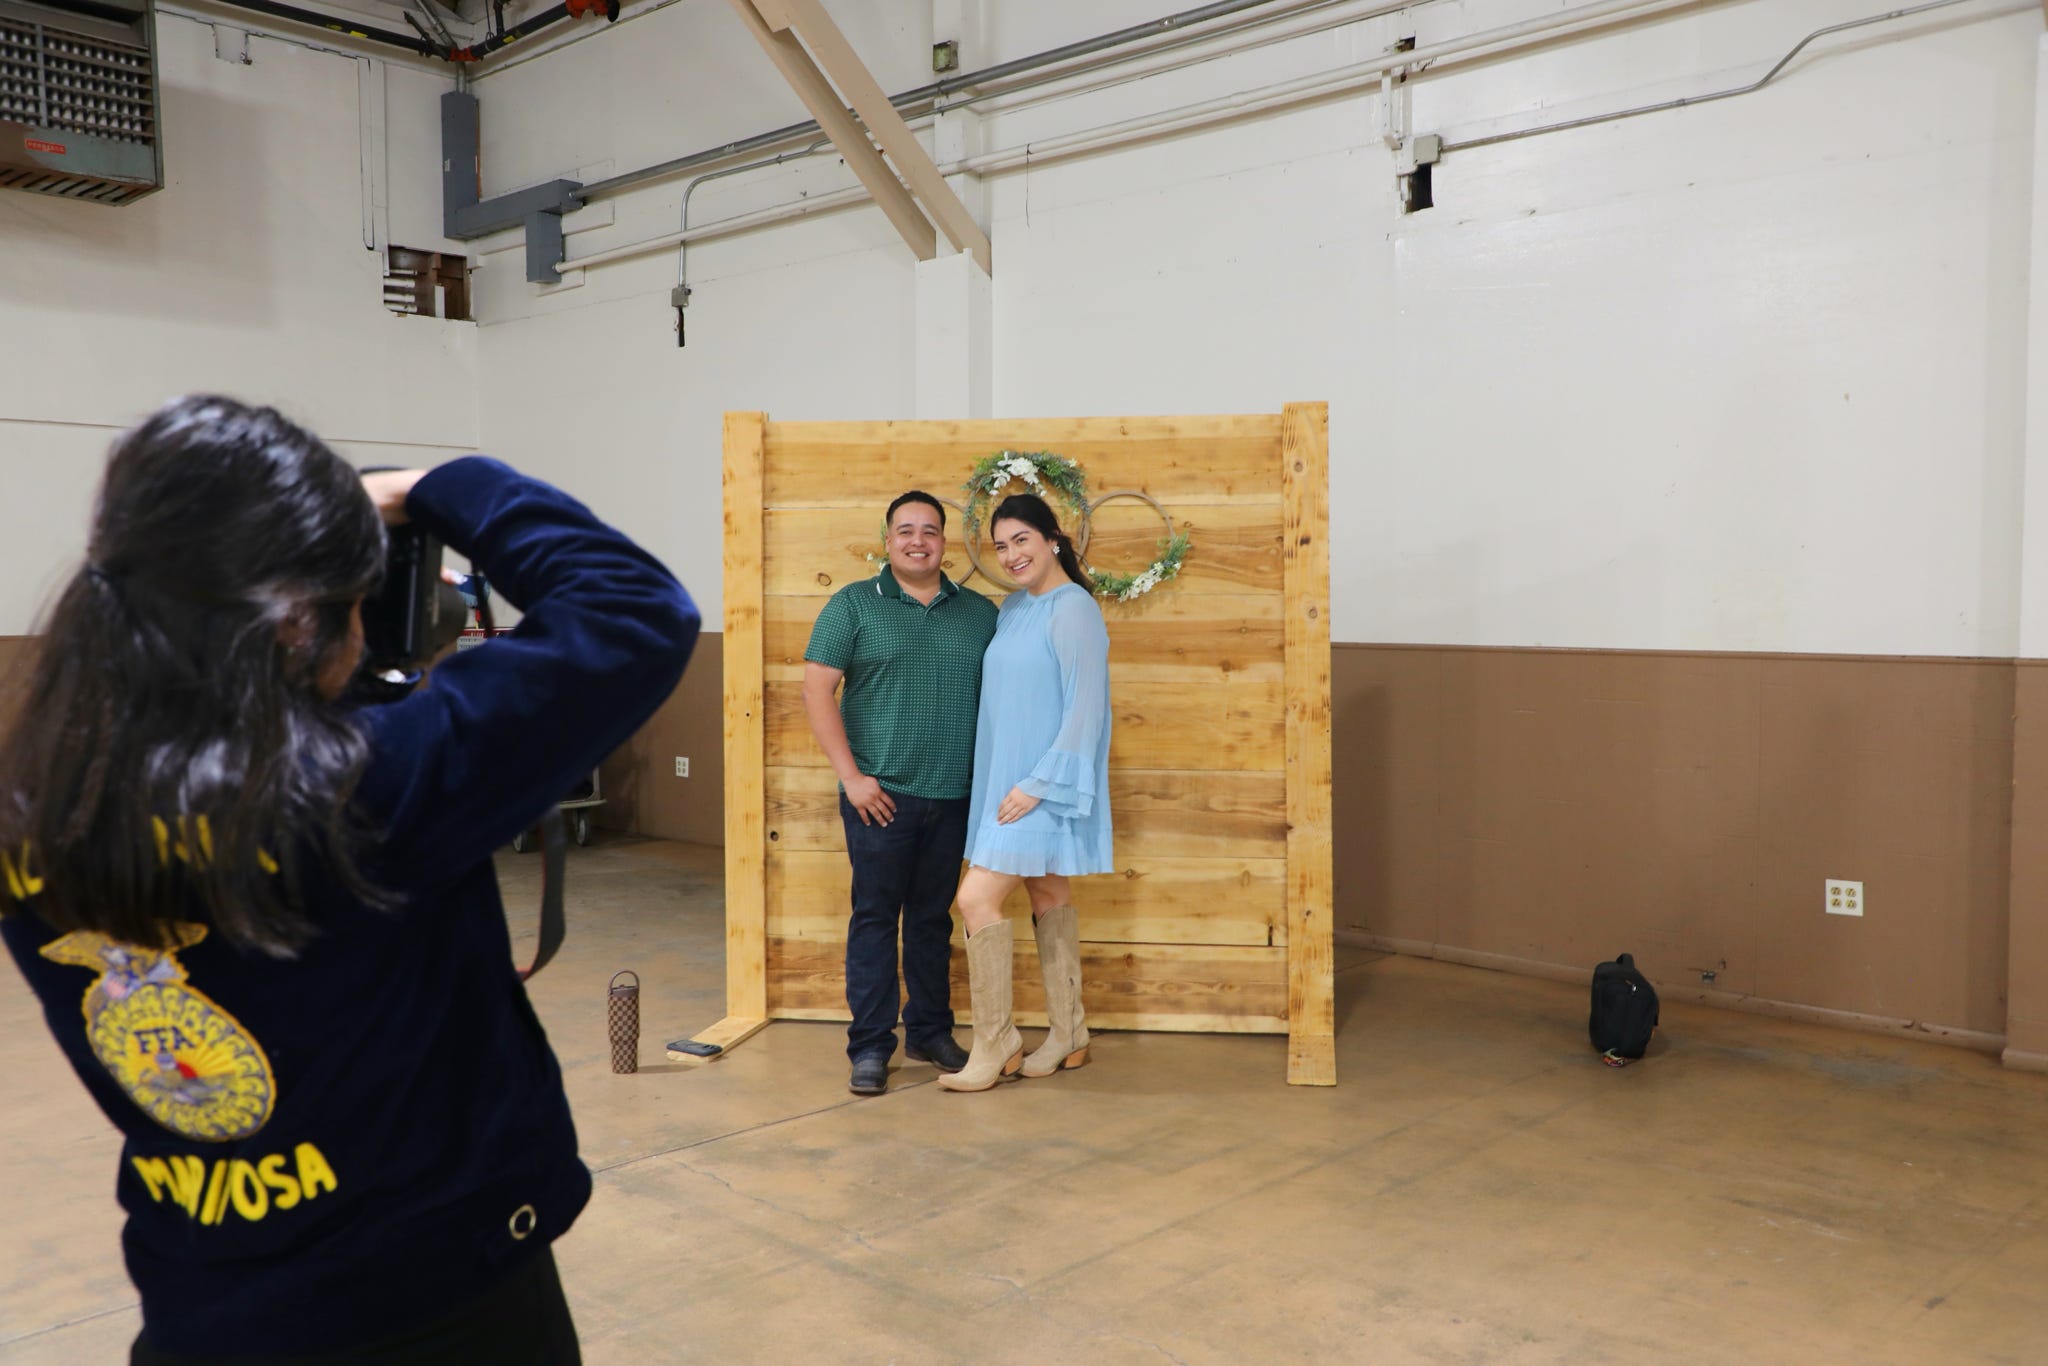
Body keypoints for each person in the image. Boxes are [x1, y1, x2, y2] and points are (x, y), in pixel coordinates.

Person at [0, 396, 698, 1364]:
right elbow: (633, 609)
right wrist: (432, 488)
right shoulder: (363, 793)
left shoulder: (37, 805)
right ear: (295, 621)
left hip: (205, 1300)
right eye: (352, 607)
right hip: (432, 1300)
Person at [801, 491, 999, 1096]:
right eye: (906, 530)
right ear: (887, 540)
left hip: (954, 795)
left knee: (933, 922)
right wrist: (852, 779)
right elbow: (815, 692)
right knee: (875, 918)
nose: (919, 540)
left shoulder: (979, 613)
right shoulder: (854, 605)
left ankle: (930, 1032)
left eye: (931, 531)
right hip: (879, 798)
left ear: (946, 542)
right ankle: (870, 1046)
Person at [938, 492, 1112, 1093]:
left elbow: (1085, 711)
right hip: (1005, 785)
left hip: (1041, 788)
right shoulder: (1013, 608)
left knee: (975, 901)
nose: (1011, 554)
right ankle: (1070, 1032)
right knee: (1047, 893)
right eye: (1002, 544)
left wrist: (1038, 786)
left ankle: (996, 1042)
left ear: (1053, 540)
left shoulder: (1074, 610)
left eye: (1022, 541)